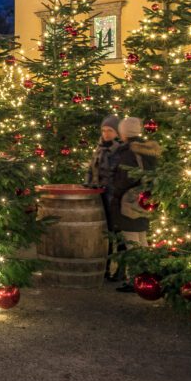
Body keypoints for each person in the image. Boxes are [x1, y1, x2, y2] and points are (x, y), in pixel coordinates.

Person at [110, 116, 162, 292]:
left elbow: (124, 178)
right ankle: (147, 275)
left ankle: (135, 280)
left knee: (132, 240)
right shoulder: (149, 151)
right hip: (145, 200)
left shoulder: (128, 152)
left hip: (129, 201)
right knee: (141, 237)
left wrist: (115, 194)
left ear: (124, 133)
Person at [87, 115, 121, 279]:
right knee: (105, 233)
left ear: (117, 132)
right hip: (99, 195)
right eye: (104, 130)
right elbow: (91, 169)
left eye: (110, 131)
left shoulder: (120, 150)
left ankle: (120, 270)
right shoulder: (99, 148)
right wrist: (88, 185)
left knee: (118, 234)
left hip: (114, 197)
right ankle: (105, 268)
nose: (106, 134)